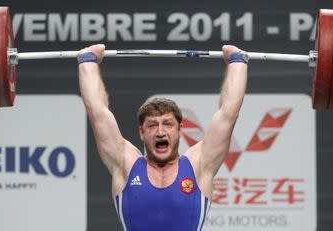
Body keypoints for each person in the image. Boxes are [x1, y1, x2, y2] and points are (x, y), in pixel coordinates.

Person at [77, 44, 248, 231]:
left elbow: (228, 114)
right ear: (142, 132)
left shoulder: (199, 164)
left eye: (167, 124)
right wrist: (88, 61)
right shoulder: (125, 163)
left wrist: (237, 61)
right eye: (152, 125)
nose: (160, 132)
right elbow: (97, 112)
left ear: (179, 130)